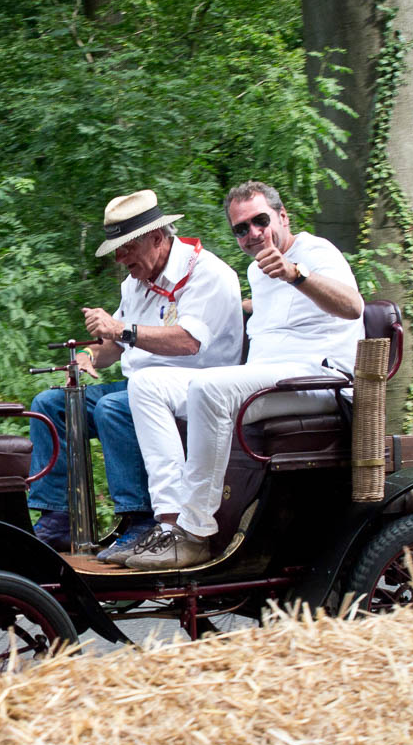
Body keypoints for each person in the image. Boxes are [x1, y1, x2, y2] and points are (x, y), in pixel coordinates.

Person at [122, 180, 365, 570]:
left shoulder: (315, 252)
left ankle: (196, 533)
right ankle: (169, 521)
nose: (252, 233)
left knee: (209, 387)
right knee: (146, 385)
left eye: (260, 221)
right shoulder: (257, 270)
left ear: (283, 217)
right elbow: (272, 310)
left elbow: (353, 306)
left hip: (319, 380)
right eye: (241, 228)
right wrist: (242, 304)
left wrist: (296, 274)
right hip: (269, 380)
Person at [29, 189, 243, 562]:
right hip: (142, 387)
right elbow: (115, 344)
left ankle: (140, 519)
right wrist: (88, 355)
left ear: (157, 238)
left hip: (198, 387)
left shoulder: (207, 273)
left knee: (114, 406)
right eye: (116, 249)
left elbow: (188, 342)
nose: (119, 258)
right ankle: (58, 519)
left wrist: (121, 330)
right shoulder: (136, 282)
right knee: (51, 404)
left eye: (126, 247)